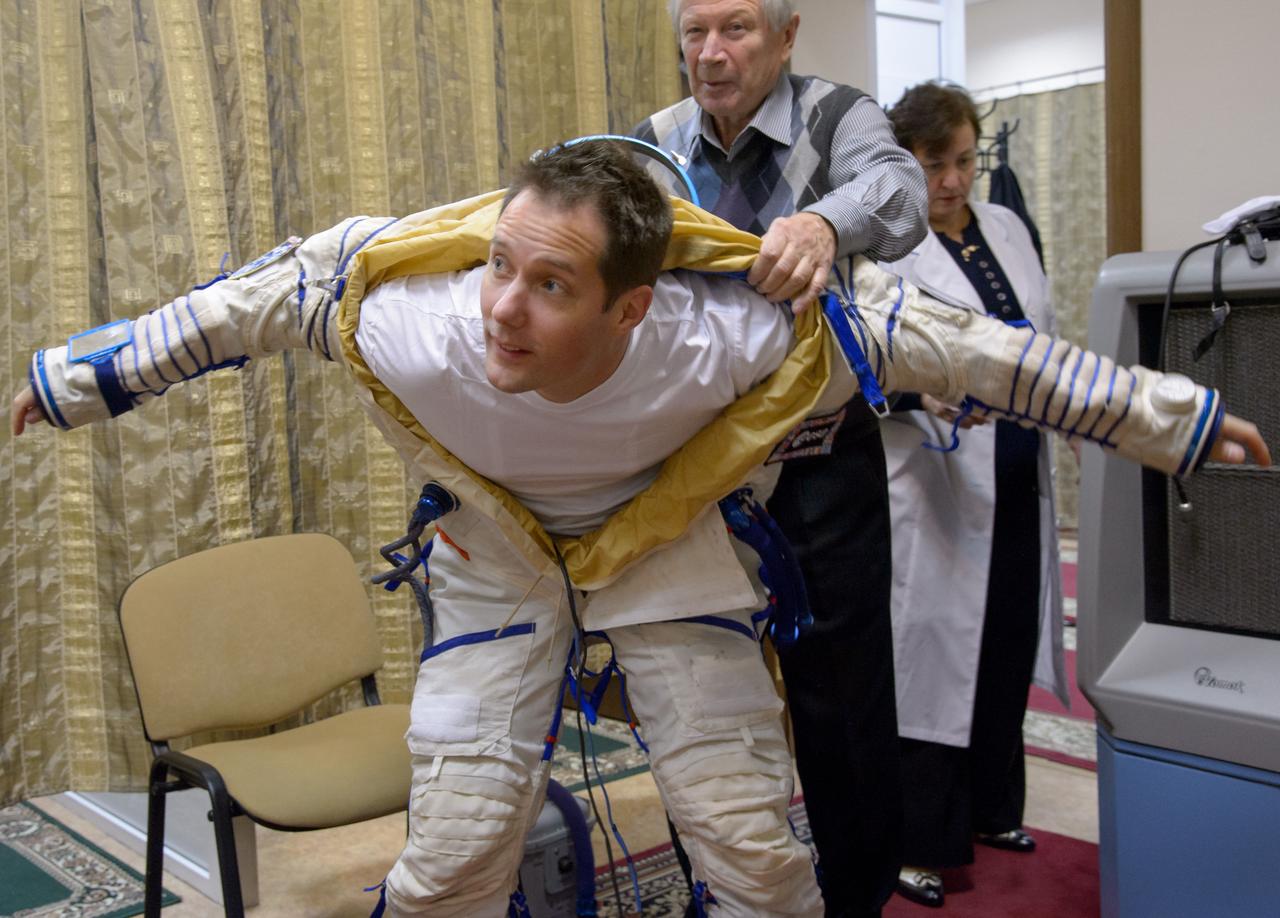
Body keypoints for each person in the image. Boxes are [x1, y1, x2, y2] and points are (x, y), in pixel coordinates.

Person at [13, 140, 1267, 917]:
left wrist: (1172, 417)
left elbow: (978, 353)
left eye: (550, 285)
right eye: (499, 264)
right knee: (452, 854)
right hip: (499, 565)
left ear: (636, 309)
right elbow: (233, 309)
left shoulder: (736, 330)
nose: (501, 309)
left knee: (753, 856)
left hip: (667, 557)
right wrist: (74, 381)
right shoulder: (406, 306)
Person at [634, 1, 928, 914]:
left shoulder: (839, 116)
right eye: (695, 34)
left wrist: (825, 226)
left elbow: (904, 194)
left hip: (821, 463)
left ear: (787, 36)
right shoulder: (654, 141)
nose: (711, 55)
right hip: (697, 473)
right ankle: (733, 890)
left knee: (843, 706)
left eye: (738, 30)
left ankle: (855, 895)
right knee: (701, 704)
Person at [880, 82, 1066, 908]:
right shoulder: (884, 253)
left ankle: (996, 809)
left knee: (1001, 647)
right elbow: (867, 374)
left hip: (1018, 468)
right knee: (933, 663)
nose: (951, 181)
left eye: (961, 161)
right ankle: (920, 841)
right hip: (940, 476)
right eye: (932, 165)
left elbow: (1042, 334)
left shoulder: (1008, 229)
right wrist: (928, 397)